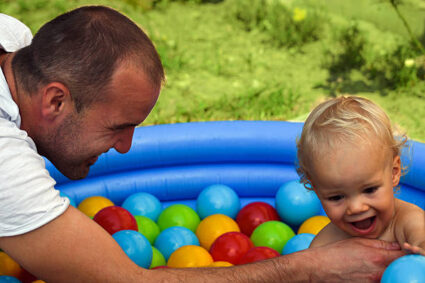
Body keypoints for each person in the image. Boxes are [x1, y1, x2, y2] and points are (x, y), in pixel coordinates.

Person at [0, 6, 404, 282]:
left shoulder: (14, 41)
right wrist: (308, 268)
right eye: (117, 127)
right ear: (55, 100)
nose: (125, 148)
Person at [297, 96, 425, 255]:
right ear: (316, 190)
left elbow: (421, 239)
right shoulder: (324, 246)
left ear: (394, 172)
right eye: (336, 197)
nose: (356, 208)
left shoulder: (407, 220)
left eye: (369, 190)